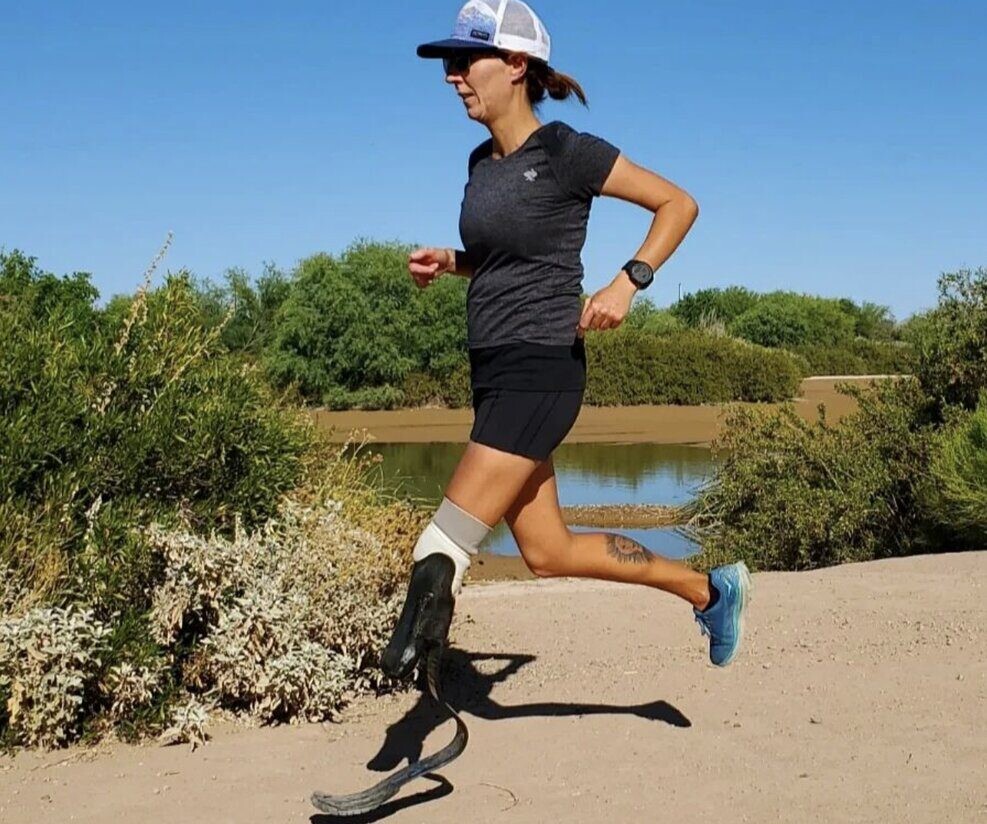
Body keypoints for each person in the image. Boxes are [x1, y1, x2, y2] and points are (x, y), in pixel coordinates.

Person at [381, 0, 751, 681]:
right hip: (492, 368)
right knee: (547, 552)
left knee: (443, 542)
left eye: (463, 61)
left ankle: (407, 701)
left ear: (515, 64)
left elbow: (678, 203)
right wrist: (452, 261)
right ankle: (710, 591)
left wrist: (626, 283)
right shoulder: (481, 163)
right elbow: (506, 257)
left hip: (540, 367)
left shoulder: (565, 151)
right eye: (447, 64)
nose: (451, 76)